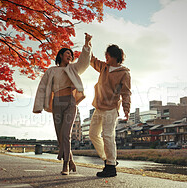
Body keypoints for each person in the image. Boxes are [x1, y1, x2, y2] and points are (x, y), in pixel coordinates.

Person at [33, 33, 92, 175]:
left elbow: (84, 62)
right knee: (60, 136)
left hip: (70, 103)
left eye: (71, 54)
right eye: (67, 53)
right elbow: (42, 87)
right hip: (56, 104)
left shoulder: (73, 68)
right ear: (60, 56)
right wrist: (38, 106)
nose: (70, 56)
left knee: (66, 133)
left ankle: (65, 165)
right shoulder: (51, 71)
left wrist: (87, 45)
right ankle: (70, 159)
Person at [89, 44, 131, 177]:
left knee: (108, 136)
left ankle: (111, 167)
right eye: (105, 55)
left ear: (115, 56)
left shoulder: (124, 73)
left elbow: (126, 93)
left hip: (111, 109)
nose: (105, 57)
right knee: (93, 134)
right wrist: (88, 44)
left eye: (108, 55)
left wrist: (126, 110)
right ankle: (107, 159)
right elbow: (91, 59)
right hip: (98, 107)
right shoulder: (103, 67)